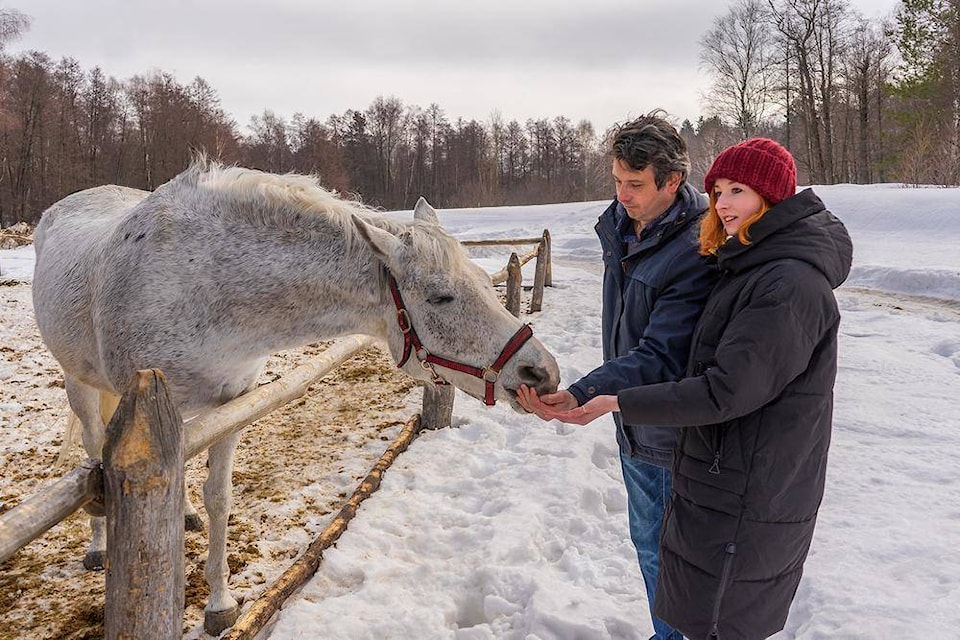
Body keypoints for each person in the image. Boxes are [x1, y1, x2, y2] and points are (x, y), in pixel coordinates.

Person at [520, 137, 853, 639]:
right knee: (671, 568)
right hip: (676, 434)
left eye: (737, 190)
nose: (723, 202)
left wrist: (601, 396)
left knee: (702, 592)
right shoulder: (730, 251)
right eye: (719, 189)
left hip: (712, 452)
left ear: (671, 182)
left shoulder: (761, 272)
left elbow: (703, 374)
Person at [522, 111, 718, 640]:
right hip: (632, 423)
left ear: (672, 182)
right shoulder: (624, 228)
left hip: (671, 429)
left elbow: (661, 355)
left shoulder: (695, 248)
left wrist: (587, 390)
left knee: (673, 555)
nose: (622, 194)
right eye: (616, 181)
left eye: (635, 184)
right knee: (649, 545)